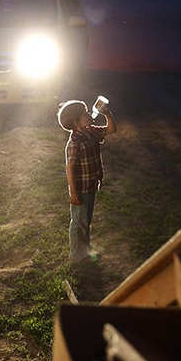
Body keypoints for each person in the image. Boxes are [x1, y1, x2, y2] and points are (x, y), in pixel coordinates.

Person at [57, 99, 117, 263]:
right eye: (85, 114)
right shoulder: (74, 143)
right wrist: (73, 193)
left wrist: (108, 115)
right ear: (76, 122)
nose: (89, 114)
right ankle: (77, 255)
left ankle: (85, 250)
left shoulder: (91, 131)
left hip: (91, 185)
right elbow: (70, 169)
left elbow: (111, 129)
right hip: (81, 189)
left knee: (86, 220)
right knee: (78, 222)